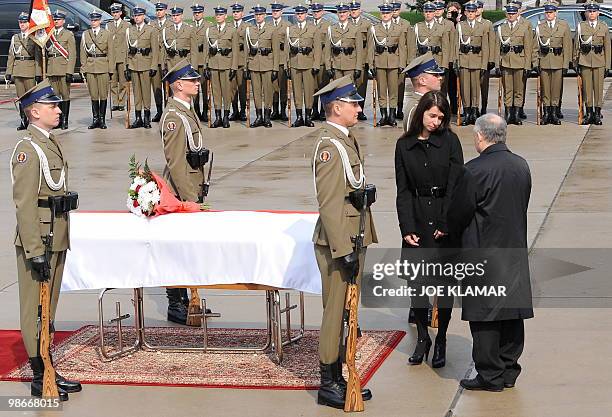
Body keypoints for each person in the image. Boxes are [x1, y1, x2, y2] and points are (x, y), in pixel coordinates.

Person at [448, 113, 533, 391]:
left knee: (484, 316)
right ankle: (509, 369)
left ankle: (490, 374)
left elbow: (459, 213)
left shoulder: (473, 170)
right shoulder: (521, 165)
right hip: (514, 250)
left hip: (482, 252)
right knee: (511, 313)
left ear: (480, 136)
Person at [11, 80, 82, 401]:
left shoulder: (49, 142)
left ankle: (48, 365)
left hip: (57, 234)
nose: (58, 109)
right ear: (34, 112)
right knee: (34, 309)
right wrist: (34, 250)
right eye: (52, 106)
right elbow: (25, 204)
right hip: (38, 238)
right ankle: (40, 374)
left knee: (48, 308)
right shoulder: (27, 149)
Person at [312, 75, 375, 408]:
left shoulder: (345, 139)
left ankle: (339, 375)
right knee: (335, 313)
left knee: (348, 313)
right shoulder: (329, 146)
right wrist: (344, 250)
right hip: (339, 242)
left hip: (351, 236)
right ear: (336, 108)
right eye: (353, 103)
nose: (359, 107)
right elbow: (329, 203)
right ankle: (328, 381)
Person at [395, 90, 463, 368]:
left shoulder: (450, 142)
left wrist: (447, 222)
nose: (436, 121)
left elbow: (458, 184)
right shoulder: (404, 145)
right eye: (432, 115)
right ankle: (423, 338)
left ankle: (442, 337)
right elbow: (403, 191)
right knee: (418, 286)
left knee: (444, 287)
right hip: (418, 218)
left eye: (440, 117)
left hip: (444, 219)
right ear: (421, 112)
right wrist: (407, 227)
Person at [160, 60, 211, 324]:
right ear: (178, 85)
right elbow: (176, 162)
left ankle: (189, 298)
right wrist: (189, 200)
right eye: (192, 81)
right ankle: (176, 302)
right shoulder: (174, 117)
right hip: (181, 193)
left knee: (188, 248)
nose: (197, 84)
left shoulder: (186, 111)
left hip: (192, 186)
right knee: (177, 249)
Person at [369, 2, 407, 127]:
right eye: (383, 13)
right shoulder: (374, 28)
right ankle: (383, 115)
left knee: (393, 90)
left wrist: (402, 64)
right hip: (379, 62)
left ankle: (392, 115)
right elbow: (371, 48)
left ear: (391, 14)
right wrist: (371, 65)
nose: (385, 15)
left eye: (387, 13)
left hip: (394, 62)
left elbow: (402, 48)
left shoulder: (399, 28)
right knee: (381, 91)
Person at [533, 2, 571, 125]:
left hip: (558, 61)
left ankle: (554, 114)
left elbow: (567, 46)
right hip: (544, 61)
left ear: (555, 13)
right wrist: (535, 63)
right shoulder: (540, 26)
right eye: (547, 12)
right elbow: (535, 47)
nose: (549, 14)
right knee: (545, 89)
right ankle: (547, 113)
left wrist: (566, 64)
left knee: (556, 89)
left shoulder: (563, 25)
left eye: (551, 12)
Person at [494, 4, 533, 125]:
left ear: (517, 14)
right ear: (506, 14)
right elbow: (497, 48)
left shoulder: (524, 27)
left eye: (513, 14)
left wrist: (527, 66)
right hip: (506, 62)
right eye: (509, 14)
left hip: (520, 62)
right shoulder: (501, 28)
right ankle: (509, 113)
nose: (511, 16)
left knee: (519, 90)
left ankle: (516, 115)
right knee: (508, 90)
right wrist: (497, 65)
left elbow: (528, 48)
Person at [574, 1, 611, 125]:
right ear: (586, 13)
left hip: (599, 61)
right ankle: (589, 113)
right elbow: (576, 46)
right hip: (585, 61)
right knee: (587, 89)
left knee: (598, 89)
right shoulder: (581, 26)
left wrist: (607, 66)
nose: (591, 14)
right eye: (589, 11)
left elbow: (607, 47)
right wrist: (576, 62)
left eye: (594, 11)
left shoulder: (604, 27)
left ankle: (597, 114)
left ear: (598, 13)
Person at [287, 4, 322, 127]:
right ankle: (299, 117)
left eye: (302, 14)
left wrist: (316, 65)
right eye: (298, 14)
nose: (300, 15)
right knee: (296, 92)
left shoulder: (313, 29)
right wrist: (287, 66)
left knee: (308, 91)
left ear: (306, 15)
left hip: (308, 64)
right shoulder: (291, 29)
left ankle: (308, 116)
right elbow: (287, 50)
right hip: (295, 64)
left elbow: (317, 49)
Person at [455, 1, 489, 126]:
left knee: (475, 88)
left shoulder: (483, 26)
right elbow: (456, 45)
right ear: (465, 13)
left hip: (477, 60)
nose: (470, 14)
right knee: (465, 89)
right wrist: (456, 62)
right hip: (464, 60)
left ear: (476, 13)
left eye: (472, 12)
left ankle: (474, 112)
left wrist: (484, 64)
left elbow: (485, 47)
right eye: (468, 12)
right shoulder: (460, 26)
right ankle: (467, 112)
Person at [6, 12, 42, 131]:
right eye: (20, 22)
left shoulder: (33, 37)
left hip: (30, 70)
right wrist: (9, 71)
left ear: (29, 23)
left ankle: (32, 121)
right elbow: (11, 56)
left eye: (24, 22)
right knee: (21, 98)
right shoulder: (15, 38)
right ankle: (23, 121)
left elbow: (37, 56)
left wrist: (38, 73)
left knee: (31, 98)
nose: (22, 24)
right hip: (18, 70)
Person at [125, 6, 160, 129]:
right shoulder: (130, 30)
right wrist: (127, 66)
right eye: (135, 16)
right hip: (134, 64)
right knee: (136, 92)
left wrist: (154, 66)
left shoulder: (151, 30)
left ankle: (146, 117)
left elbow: (155, 50)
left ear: (144, 16)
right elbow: (127, 51)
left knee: (146, 92)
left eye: (139, 15)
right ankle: (138, 117)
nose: (137, 17)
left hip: (146, 63)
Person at [245, 4, 279, 128]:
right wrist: (246, 67)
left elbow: (276, 50)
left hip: (267, 64)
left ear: (265, 15)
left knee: (268, 91)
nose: (258, 17)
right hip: (254, 64)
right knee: (257, 92)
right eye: (256, 15)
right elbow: (246, 50)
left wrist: (275, 68)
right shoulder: (250, 30)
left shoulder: (272, 30)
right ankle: (259, 116)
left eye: (260, 15)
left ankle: (267, 116)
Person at [81, 9, 115, 130]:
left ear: (100, 21)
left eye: (96, 20)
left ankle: (102, 119)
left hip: (103, 66)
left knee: (103, 94)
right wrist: (83, 67)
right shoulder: (86, 34)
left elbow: (111, 52)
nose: (93, 22)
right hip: (90, 66)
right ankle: (95, 119)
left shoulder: (107, 34)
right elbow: (83, 53)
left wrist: (111, 69)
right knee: (94, 95)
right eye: (92, 20)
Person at [206, 6, 240, 128]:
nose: (218, 16)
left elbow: (236, 50)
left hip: (227, 64)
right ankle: (218, 117)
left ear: (226, 16)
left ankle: (226, 116)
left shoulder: (232, 30)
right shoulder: (210, 30)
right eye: (217, 15)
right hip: (214, 64)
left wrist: (234, 67)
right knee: (216, 92)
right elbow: (207, 50)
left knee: (226, 91)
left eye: (221, 14)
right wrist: (206, 66)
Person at [45, 10, 76, 130]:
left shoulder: (68, 34)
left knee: (65, 95)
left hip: (63, 68)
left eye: (58, 20)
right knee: (54, 96)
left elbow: (72, 54)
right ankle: (56, 121)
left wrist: (69, 71)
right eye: (55, 19)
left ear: (63, 21)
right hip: (52, 68)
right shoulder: (49, 34)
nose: (56, 21)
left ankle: (64, 120)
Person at [402, 52, 444, 131]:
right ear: (422, 81)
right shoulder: (416, 108)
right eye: (435, 75)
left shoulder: (432, 101)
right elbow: (410, 141)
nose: (440, 78)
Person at [325, 3, 364, 82]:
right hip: (336, 65)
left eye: (344, 12)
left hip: (350, 65)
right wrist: (328, 67)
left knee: (348, 92)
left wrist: (358, 67)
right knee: (338, 91)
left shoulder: (355, 29)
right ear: (337, 13)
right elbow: (327, 50)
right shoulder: (331, 29)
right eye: (340, 12)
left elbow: (359, 51)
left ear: (348, 13)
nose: (342, 14)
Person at [391, 1, 414, 120]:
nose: (394, 12)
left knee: (400, 86)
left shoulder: (406, 24)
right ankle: (391, 110)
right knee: (390, 87)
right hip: (389, 59)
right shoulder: (384, 24)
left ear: (399, 11)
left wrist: (409, 61)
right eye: (392, 10)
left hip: (402, 59)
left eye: (396, 10)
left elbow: (410, 43)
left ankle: (399, 109)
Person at [106, 3, 130, 113]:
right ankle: (115, 102)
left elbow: (128, 42)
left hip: (122, 56)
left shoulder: (126, 25)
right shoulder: (108, 25)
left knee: (123, 81)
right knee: (113, 81)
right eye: (113, 12)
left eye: (117, 12)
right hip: (112, 57)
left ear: (121, 13)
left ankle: (122, 102)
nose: (115, 14)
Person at [151, 2, 173, 122]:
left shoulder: (170, 24)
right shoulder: (152, 24)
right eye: (157, 10)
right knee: (156, 87)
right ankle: (159, 111)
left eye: (161, 10)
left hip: (167, 59)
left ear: (165, 11)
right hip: (155, 59)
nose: (159, 12)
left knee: (168, 87)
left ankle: (168, 109)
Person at [435, 1, 457, 113]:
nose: (437, 11)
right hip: (432, 60)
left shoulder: (449, 24)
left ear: (443, 10)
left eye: (439, 9)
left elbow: (453, 43)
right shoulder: (428, 24)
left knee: (444, 88)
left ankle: (443, 110)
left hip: (445, 60)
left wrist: (451, 59)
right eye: (436, 9)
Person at [350, 1, 371, 120]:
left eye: (356, 10)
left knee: (361, 86)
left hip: (362, 59)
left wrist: (368, 60)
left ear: (360, 11)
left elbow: (369, 43)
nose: (353, 12)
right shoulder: (345, 23)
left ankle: (360, 110)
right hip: (348, 59)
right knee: (349, 87)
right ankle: (351, 110)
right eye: (352, 10)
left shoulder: (366, 24)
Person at [191, 3, 210, 123]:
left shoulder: (208, 26)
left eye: (198, 13)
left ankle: (205, 111)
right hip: (193, 61)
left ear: (202, 13)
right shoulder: (190, 26)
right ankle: (196, 110)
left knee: (204, 88)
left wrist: (207, 63)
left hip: (203, 61)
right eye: (195, 13)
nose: (197, 15)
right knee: (194, 88)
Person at [270, 3, 290, 121]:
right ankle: (275, 110)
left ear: (281, 12)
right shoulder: (268, 25)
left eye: (277, 11)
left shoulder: (287, 25)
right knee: (273, 87)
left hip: (282, 59)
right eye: (273, 11)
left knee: (283, 87)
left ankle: (283, 111)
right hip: (271, 60)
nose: (275, 13)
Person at [311, 2, 330, 121]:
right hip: (310, 60)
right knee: (312, 88)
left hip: (322, 60)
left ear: (322, 12)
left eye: (318, 11)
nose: (316, 13)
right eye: (314, 11)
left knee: (324, 87)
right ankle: (314, 110)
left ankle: (323, 110)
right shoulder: (308, 25)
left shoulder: (327, 26)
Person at [476, 0, 495, 115]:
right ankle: (474, 109)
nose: (476, 10)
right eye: (475, 8)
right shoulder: (466, 22)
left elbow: (491, 42)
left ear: (482, 9)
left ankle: (483, 107)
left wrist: (491, 59)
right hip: (471, 59)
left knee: (484, 87)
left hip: (484, 59)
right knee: (472, 87)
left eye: (478, 8)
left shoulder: (487, 24)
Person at [230, 3, 249, 122]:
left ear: (242, 13)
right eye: (234, 12)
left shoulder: (247, 26)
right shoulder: (228, 26)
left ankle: (242, 111)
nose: (235, 14)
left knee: (242, 88)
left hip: (241, 60)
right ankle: (235, 111)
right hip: (230, 61)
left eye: (238, 12)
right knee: (232, 88)